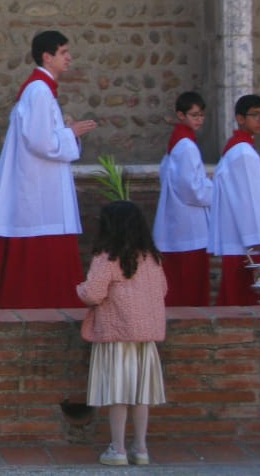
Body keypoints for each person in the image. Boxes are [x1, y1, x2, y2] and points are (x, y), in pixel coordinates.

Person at [0, 29, 98, 309]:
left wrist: (65, 132)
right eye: (64, 52)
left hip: (40, 185)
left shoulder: (39, 89)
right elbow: (41, 141)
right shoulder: (40, 91)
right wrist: (71, 133)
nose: (70, 58)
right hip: (39, 190)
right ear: (47, 56)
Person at [77, 200, 167, 467]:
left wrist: (79, 289)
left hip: (116, 333)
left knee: (118, 393)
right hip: (145, 336)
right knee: (141, 395)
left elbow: (93, 293)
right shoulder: (152, 258)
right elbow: (162, 290)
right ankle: (140, 448)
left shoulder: (107, 257)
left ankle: (117, 449)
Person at [208, 94, 260, 306]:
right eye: (255, 115)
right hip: (250, 243)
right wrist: (257, 240)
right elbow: (248, 199)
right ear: (240, 118)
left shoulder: (237, 149)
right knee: (252, 300)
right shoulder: (243, 153)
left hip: (241, 240)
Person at [153, 91, 213, 306]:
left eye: (201, 115)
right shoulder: (187, 146)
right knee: (191, 286)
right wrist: (213, 189)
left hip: (177, 220)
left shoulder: (177, 143)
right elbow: (192, 189)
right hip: (191, 223)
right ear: (181, 115)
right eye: (194, 115)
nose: (199, 119)